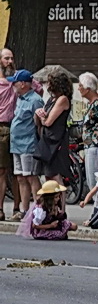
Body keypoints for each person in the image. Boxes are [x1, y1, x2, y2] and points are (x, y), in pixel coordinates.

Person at [10, 69, 45, 208]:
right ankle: (24, 210)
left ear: (23, 84)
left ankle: (39, 209)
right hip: (16, 144)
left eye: (15, 82)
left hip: (28, 144)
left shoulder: (36, 100)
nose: (13, 85)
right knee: (20, 177)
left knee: (31, 176)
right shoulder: (20, 99)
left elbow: (39, 124)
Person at [34, 69, 75, 185]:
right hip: (47, 140)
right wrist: (38, 113)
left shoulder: (63, 99)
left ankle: (60, 202)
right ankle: (51, 202)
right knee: (48, 175)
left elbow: (48, 122)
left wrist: (42, 117)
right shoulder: (51, 99)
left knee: (55, 175)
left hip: (56, 141)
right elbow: (40, 119)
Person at [76, 73, 98, 192]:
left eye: (80, 86)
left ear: (88, 89)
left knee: (94, 181)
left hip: (95, 145)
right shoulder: (91, 104)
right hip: (89, 144)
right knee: (91, 179)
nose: (79, 88)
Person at [0, 47, 15, 217]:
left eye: (11, 58)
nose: (10, 61)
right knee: (2, 171)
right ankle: (0, 209)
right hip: (2, 126)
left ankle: (19, 208)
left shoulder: (17, 80)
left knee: (18, 173)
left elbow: (38, 88)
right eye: (6, 58)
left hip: (17, 127)